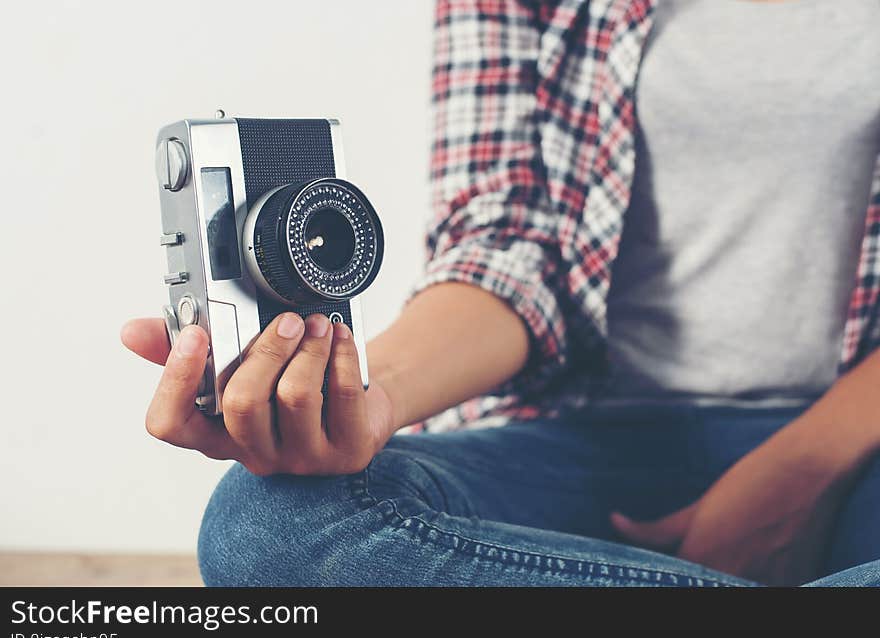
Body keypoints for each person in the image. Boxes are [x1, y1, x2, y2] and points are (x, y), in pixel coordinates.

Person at [122, 0, 880, 586]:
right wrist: (363, 397)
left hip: (860, 441)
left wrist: (799, 467)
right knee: (266, 527)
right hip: (587, 443)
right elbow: (507, 249)